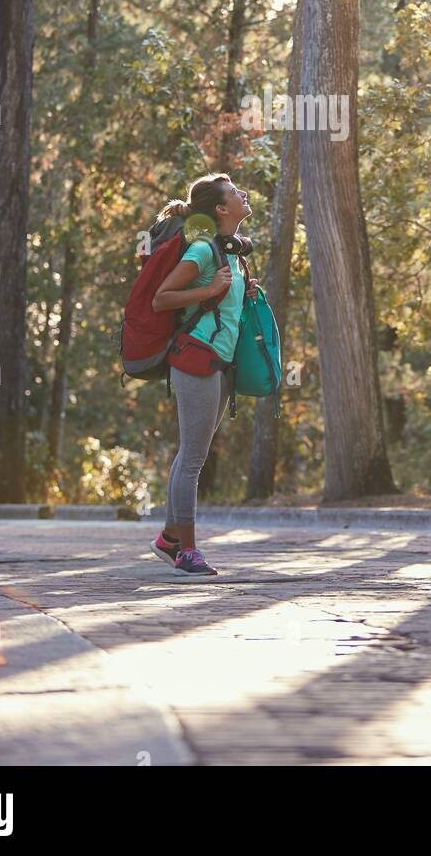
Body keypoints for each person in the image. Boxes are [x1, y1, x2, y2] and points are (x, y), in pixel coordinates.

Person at [150, 173, 258, 577]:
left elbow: (223, 302)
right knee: (193, 458)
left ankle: (168, 538)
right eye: (235, 193)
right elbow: (163, 299)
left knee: (191, 453)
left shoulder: (232, 253)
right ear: (220, 208)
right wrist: (208, 291)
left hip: (219, 362)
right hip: (195, 357)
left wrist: (238, 292)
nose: (243, 194)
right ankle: (187, 552)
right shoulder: (202, 250)